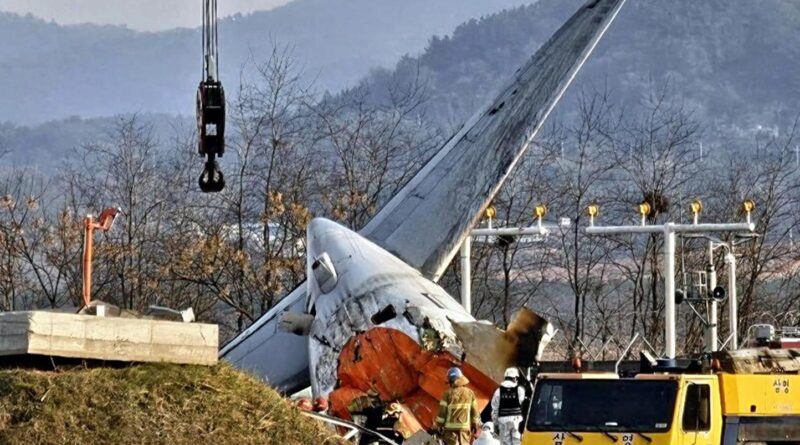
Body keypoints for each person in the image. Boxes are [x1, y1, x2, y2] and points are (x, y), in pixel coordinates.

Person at [434, 367, 481, 445]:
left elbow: (442, 413)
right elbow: (475, 412)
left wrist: (440, 425)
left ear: (451, 381)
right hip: (465, 430)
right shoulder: (470, 393)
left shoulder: (447, 394)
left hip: (450, 431)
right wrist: (475, 425)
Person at [490, 368, 526, 445]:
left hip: (503, 421)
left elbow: (495, 409)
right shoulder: (519, 390)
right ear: (514, 378)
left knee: (505, 443)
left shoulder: (498, 391)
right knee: (517, 442)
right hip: (516, 421)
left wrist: (495, 423)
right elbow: (521, 401)